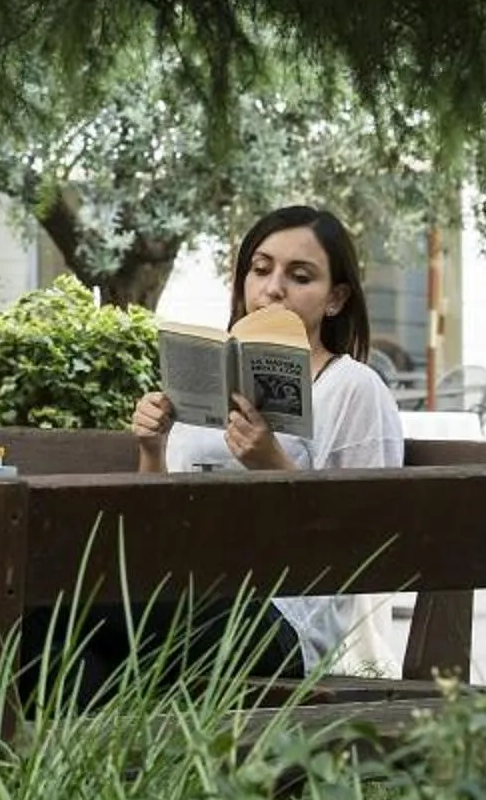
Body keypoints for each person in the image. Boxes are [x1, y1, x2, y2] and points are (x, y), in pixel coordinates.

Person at [129, 204, 408, 677]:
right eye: (260, 270)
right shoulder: (208, 379)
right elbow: (157, 525)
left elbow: (366, 540)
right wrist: (151, 448)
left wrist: (272, 464)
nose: (273, 288)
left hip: (287, 620)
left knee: (78, 615)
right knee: (54, 634)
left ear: (335, 298)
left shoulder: (352, 387)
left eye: (300, 276)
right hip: (186, 594)